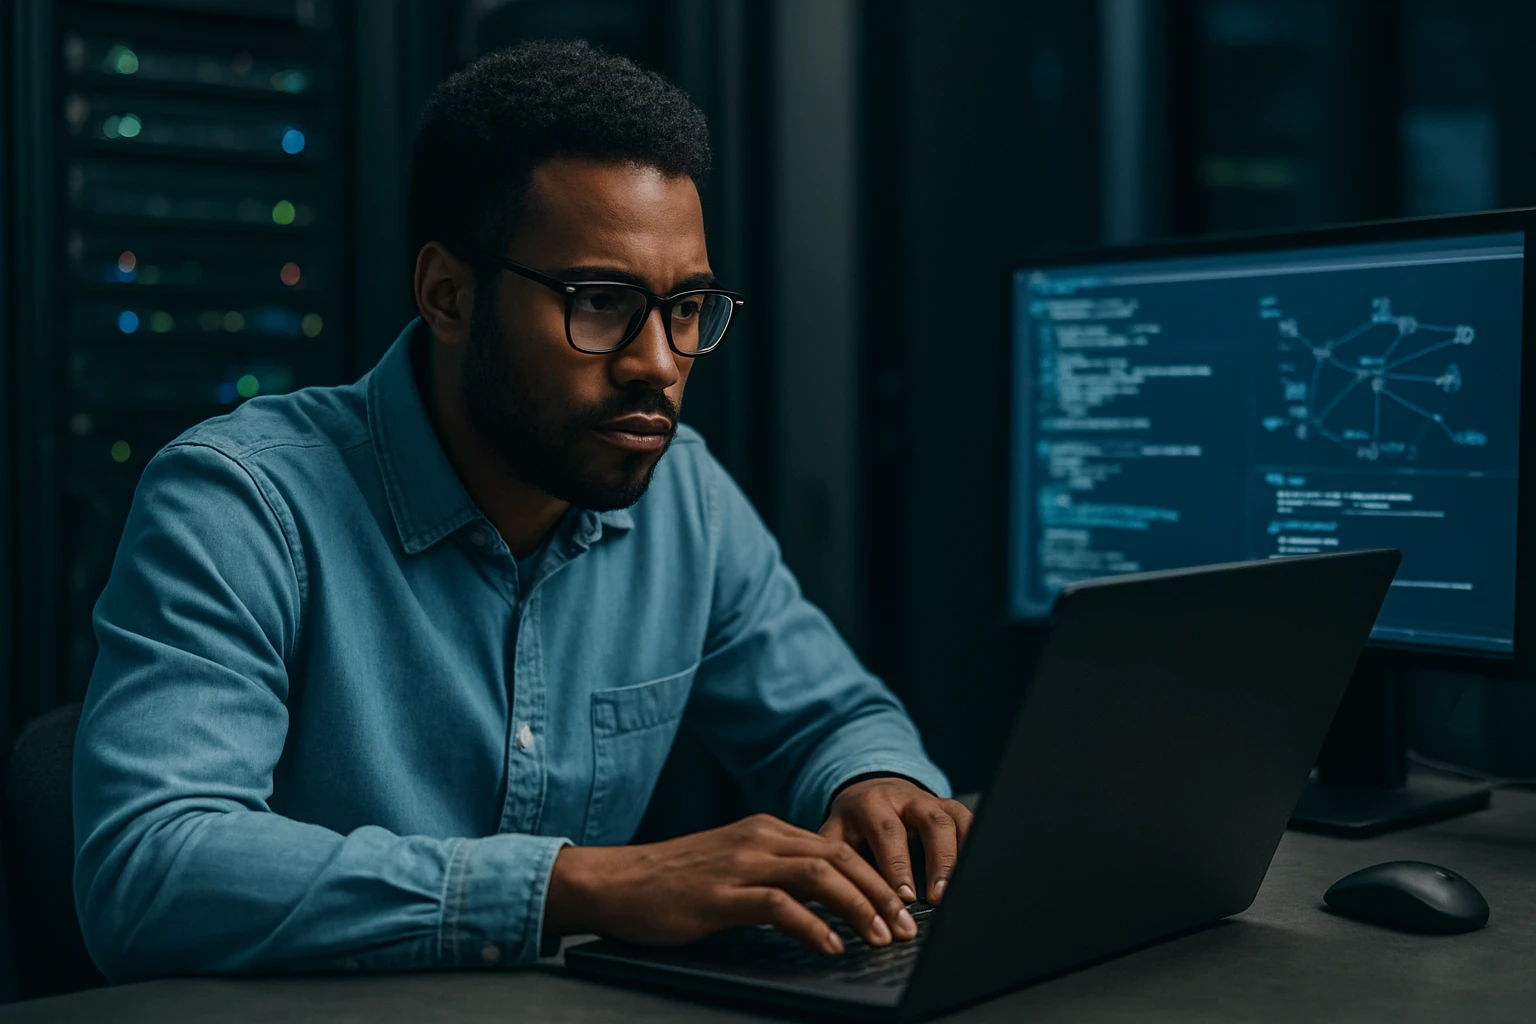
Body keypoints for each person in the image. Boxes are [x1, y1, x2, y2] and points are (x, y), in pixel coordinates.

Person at [72, 41, 969, 981]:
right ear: (448, 295)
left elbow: (827, 716)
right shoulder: (239, 502)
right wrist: (580, 887)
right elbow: (149, 871)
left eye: (688, 306)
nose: (658, 363)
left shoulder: (683, 490)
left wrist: (878, 781)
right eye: (601, 301)